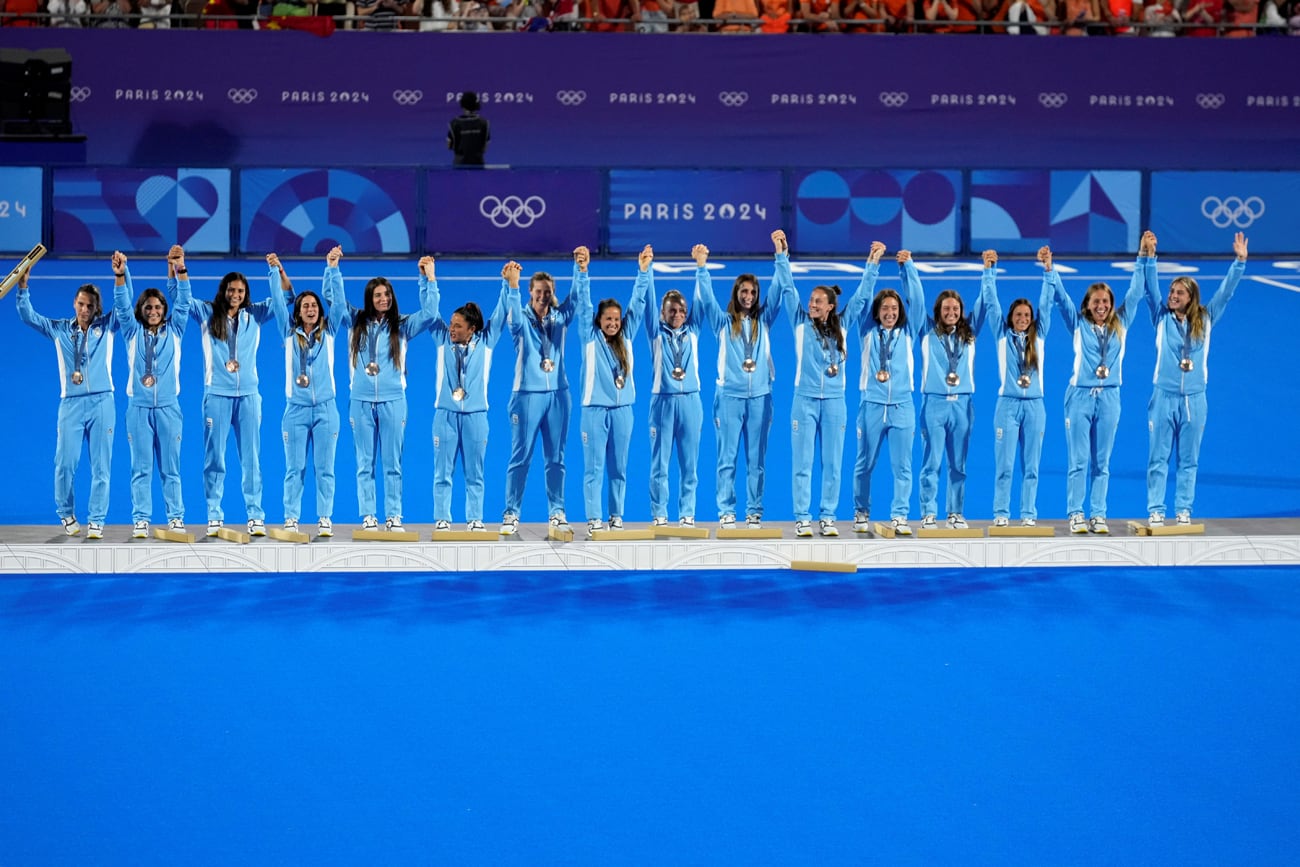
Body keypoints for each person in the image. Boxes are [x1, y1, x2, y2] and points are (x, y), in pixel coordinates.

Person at [1143, 231, 1248, 527]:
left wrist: (1239, 261)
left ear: (1191, 298)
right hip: (1163, 397)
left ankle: (1184, 509)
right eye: (1172, 291)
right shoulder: (1160, 317)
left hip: (1195, 400)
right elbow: (1151, 290)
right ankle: (1156, 509)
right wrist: (1150, 257)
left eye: (1179, 293)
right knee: (1158, 458)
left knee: (1188, 460)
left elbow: (1225, 292)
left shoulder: (1207, 317)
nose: (1172, 296)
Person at [325, 254, 436, 532]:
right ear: (369, 298)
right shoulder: (354, 321)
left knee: (392, 462)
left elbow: (431, 314)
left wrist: (428, 278)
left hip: (393, 401)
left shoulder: (403, 324)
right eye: (377, 295)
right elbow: (334, 301)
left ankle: (394, 515)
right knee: (365, 463)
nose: (383, 299)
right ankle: (368, 516)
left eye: (386, 294)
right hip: (360, 401)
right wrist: (333, 269)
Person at [1050, 234, 1152, 535]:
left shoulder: (1121, 323)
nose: (1102, 306)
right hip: (1080, 396)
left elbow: (1135, 292)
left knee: (1102, 461)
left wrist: (1143, 256)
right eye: (1097, 302)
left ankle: (1098, 514)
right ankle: (1076, 513)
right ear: (1088, 304)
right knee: (1079, 459)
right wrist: (1050, 269)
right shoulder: (1078, 322)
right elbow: (1061, 298)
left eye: (1106, 301)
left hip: (1110, 397)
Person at [776, 232, 874, 538]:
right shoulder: (799, 322)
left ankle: (828, 516)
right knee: (802, 462)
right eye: (812, 301)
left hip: (834, 402)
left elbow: (861, 297)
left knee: (832, 463)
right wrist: (782, 254)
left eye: (818, 301)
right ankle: (803, 517)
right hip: (803, 400)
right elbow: (788, 288)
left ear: (831, 306)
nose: (812, 304)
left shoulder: (843, 326)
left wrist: (872, 263)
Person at [13, 259, 118, 539]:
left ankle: (97, 519)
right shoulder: (59, 329)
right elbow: (29, 316)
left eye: (90, 305)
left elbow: (124, 302)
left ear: (97, 308)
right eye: (81, 304)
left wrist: (122, 275)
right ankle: (66, 512)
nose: (85, 310)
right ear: (74, 303)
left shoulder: (107, 327)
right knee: (65, 462)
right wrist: (23, 288)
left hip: (103, 403)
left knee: (101, 466)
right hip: (70, 405)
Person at [693, 232, 786, 530]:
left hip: (761, 397)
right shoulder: (722, 322)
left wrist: (780, 255)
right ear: (735, 294)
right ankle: (726, 510)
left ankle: (755, 510)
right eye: (744, 292)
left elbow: (780, 289)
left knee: (757, 459)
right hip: (729, 398)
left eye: (753, 293)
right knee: (727, 457)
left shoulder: (765, 320)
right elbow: (706, 300)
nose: (749, 297)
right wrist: (702, 266)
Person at [499, 249, 582, 536]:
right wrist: (512, 285)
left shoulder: (560, 319)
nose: (542, 296)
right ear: (530, 292)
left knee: (556, 458)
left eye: (547, 292)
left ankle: (557, 512)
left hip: (559, 396)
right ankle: (511, 513)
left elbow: (578, 298)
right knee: (520, 457)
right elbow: (511, 315)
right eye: (538, 291)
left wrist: (580, 269)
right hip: (526, 396)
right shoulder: (520, 319)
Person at [190, 263, 275, 538]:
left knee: (251, 458)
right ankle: (214, 514)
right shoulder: (207, 313)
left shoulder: (256, 314)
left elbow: (286, 300)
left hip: (249, 396)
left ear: (246, 292)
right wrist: (179, 269)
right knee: (215, 457)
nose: (235, 294)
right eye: (231, 290)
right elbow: (180, 299)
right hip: (217, 395)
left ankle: (255, 515)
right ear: (223, 291)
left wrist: (275, 272)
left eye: (240, 290)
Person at [113, 247, 192, 538]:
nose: (154, 311)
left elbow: (184, 302)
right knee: (141, 468)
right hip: (139, 409)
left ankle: (175, 517)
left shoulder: (176, 330)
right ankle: (141, 519)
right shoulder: (132, 333)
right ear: (142, 311)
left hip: (169, 409)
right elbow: (121, 306)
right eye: (148, 307)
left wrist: (180, 269)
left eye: (158, 307)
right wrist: (121, 274)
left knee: (171, 468)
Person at [426, 257, 509, 532]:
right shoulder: (441, 340)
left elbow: (501, 313)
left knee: (475, 473)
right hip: (445, 415)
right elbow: (429, 311)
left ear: (472, 329)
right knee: (443, 473)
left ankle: (475, 519)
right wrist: (428, 279)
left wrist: (509, 285)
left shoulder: (485, 343)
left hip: (475, 416)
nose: (451, 328)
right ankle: (443, 519)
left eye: (458, 325)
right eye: (451, 323)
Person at [574, 245, 651, 537]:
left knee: (619, 468)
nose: (613, 323)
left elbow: (639, 303)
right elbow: (583, 304)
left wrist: (642, 271)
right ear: (599, 320)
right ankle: (594, 518)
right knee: (593, 468)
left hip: (623, 412)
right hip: (594, 411)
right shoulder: (589, 337)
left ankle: (616, 516)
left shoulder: (627, 336)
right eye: (608, 319)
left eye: (616, 320)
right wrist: (583, 272)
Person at [913, 250, 993, 530]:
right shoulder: (926, 331)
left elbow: (985, 304)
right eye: (946, 309)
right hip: (933, 404)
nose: (951, 312)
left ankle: (955, 513)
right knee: (931, 461)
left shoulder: (969, 332)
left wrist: (988, 270)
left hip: (962, 404)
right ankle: (928, 512)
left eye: (955, 309)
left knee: (959, 464)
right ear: (938, 311)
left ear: (961, 311)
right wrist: (908, 268)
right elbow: (916, 300)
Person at [268, 250, 343, 539]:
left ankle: (324, 518)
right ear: (297, 312)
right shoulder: (288, 332)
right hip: (296, 411)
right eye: (305, 306)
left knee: (325, 468)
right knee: (295, 468)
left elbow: (337, 302)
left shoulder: (331, 330)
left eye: (314, 305)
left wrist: (332, 269)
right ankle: (291, 518)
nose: (311, 309)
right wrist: (275, 272)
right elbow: (277, 302)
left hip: (326, 409)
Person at [851, 245, 923, 537]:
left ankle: (900, 515)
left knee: (902, 465)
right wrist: (873, 263)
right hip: (871, 404)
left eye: (894, 309)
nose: (890, 313)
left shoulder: (909, 331)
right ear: (877, 313)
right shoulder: (866, 330)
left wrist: (908, 270)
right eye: (885, 309)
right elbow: (862, 298)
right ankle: (861, 511)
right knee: (864, 463)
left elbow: (917, 301)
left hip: (902, 406)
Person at [986, 248, 1053, 529]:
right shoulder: (1002, 336)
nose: (1023, 318)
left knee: (1032, 466)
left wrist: (1048, 270)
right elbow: (991, 303)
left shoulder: (1040, 335)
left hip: (1035, 405)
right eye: (1018, 314)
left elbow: (1047, 303)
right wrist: (989, 270)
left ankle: (1028, 514)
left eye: (1026, 315)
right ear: (1011, 317)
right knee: (1005, 466)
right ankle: (1002, 512)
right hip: (1008, 406)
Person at [642, 261, 703, 529]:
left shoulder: (694, 331)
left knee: (690, 464)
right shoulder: (654, 333)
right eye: (671, 310)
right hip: (663, 403)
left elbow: (703, 299)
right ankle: (659, 513)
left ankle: (687, 513)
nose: (677, 314)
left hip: (691, 401)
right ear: (662, 313)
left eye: (681, 311)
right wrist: (646, 272)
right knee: (660, 463)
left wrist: (701, 268)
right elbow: (647, 301)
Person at [447, 91, 490, 167]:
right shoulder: (484, 123)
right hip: (478, 164)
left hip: (459, 165)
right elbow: (485, 146)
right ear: (476, 106)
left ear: (462, 105)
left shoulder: (454, 123)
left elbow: (449, 146)